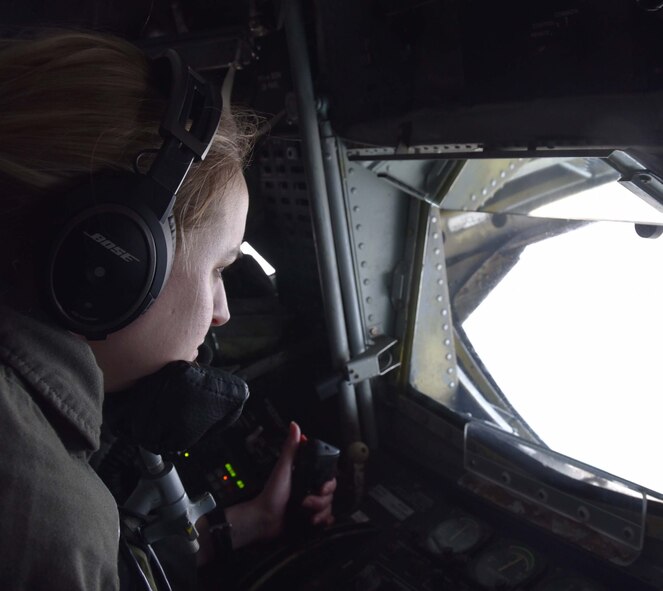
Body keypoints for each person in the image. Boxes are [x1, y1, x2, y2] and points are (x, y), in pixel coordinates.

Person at [0, 30, 336, 590]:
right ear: (112, 256)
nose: (223, 312)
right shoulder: (47, 518)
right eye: (219, 269)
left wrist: (248, 524)